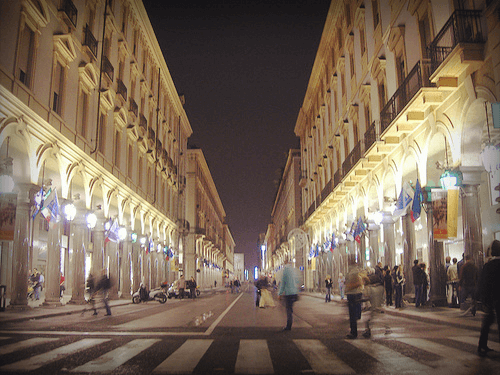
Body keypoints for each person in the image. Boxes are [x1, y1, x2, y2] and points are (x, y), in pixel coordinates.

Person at [477, 240, 500, 356]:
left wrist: (483, 299)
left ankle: (482, 345)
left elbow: (483, 283)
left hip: (491, 298)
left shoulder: (488, 265)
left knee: (487, 322)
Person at [345, 256, 368, 339]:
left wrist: (349, 287)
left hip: (353, 294)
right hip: (355, 294)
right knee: (354, 315)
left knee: (353, 315)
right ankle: (355, 331)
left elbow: (358, 282)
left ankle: (354, 332)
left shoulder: (353, 272)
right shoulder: (355, 271)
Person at [278, 259, 300, 331]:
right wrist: (298, 291)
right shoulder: (294, 270)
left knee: (288, 309)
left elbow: (283, 283)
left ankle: (289, 325)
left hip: (289, 293)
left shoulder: (285, 270)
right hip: (295, 293)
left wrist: (280, 293)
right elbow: (298, 280)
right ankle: (292, 321)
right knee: (291, 309)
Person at [363, 267, 384, 338]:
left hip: (370, 300)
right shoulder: (376, 279)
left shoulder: (369, 281)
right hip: (374, 300)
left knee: (369, 316)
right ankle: (368, 329)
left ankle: (367, 329)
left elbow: (367, 293)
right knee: (371, 315)